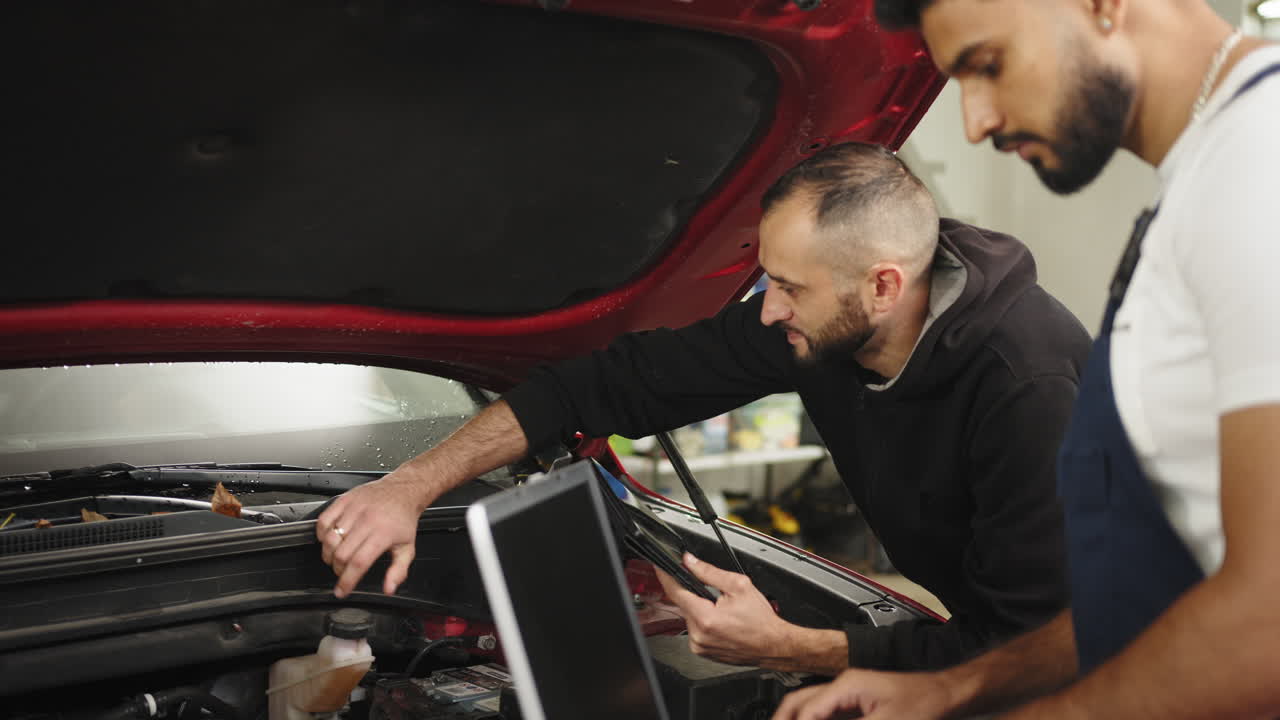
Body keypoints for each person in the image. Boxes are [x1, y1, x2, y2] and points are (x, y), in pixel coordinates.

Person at [317, 141, 1091, 673]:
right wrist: (409, 486)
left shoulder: (1024, 386)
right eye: (769, 278)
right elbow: (607, 384)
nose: (767, 309)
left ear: (883, 286)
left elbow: (1030, 647)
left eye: (790, 288)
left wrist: (792, 647)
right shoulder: (817, 325)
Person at [772, 0, 1280, 718]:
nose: (976, 122)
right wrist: (951, 687)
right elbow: (1154, 591)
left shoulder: (1260, 174)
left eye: (988, 65)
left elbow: (1269, 620)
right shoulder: (1205, 185)